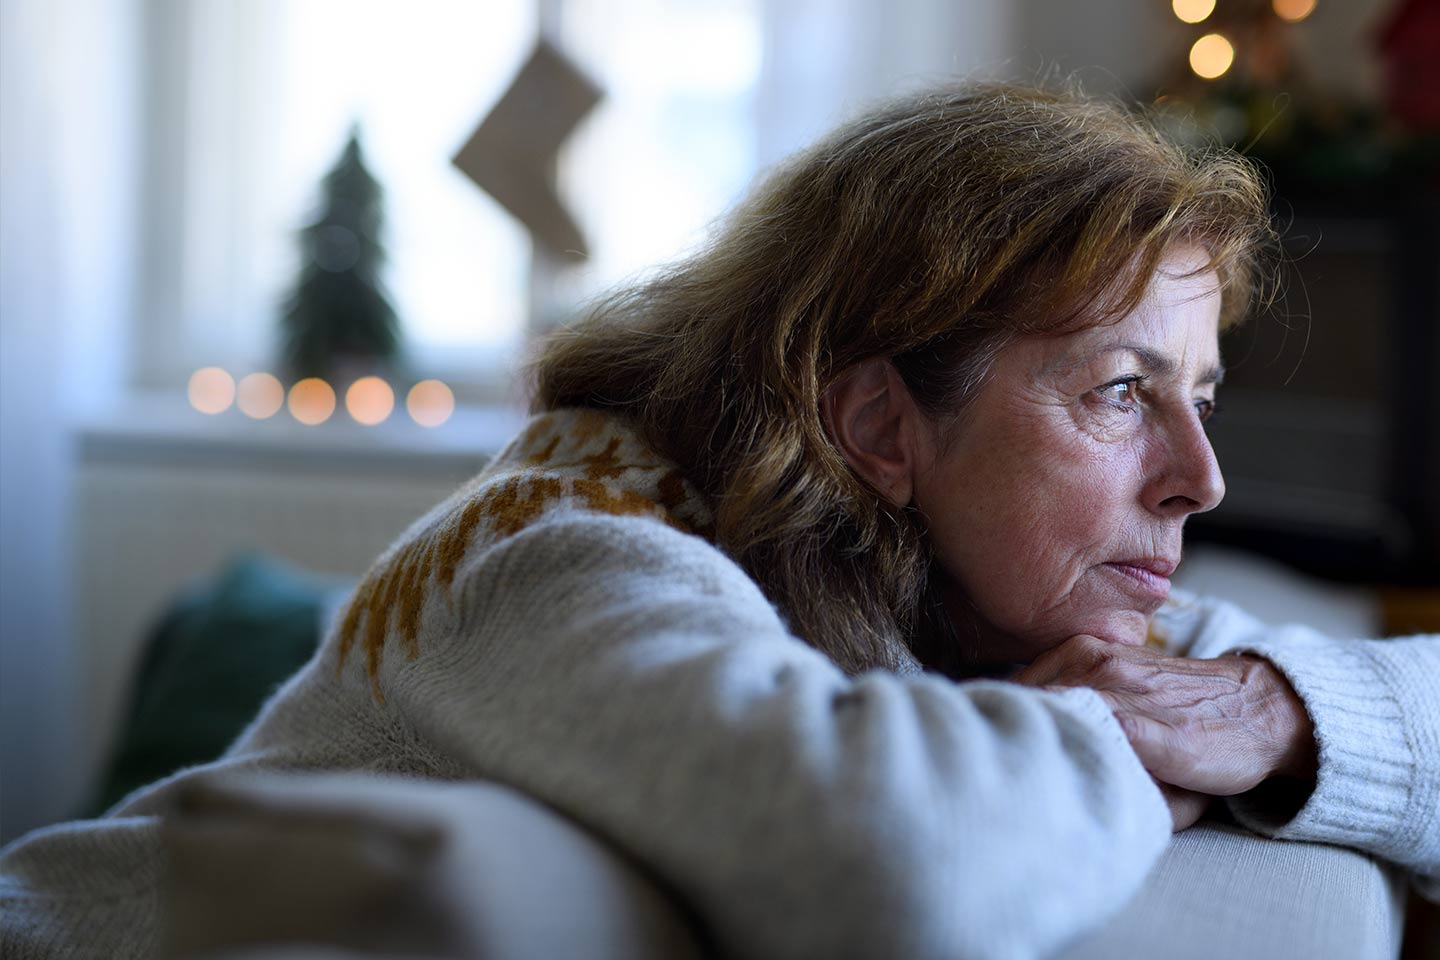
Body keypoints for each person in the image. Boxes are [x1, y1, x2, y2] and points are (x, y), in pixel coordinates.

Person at [2, 82, 1437, 960]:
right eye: (1123, 394)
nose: (1201, 476)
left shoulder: (1004, 586)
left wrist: (1267, 708)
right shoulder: (563, 552)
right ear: (880, 427)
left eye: (1204, 398)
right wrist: (1125, 738)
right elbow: (896, 869)